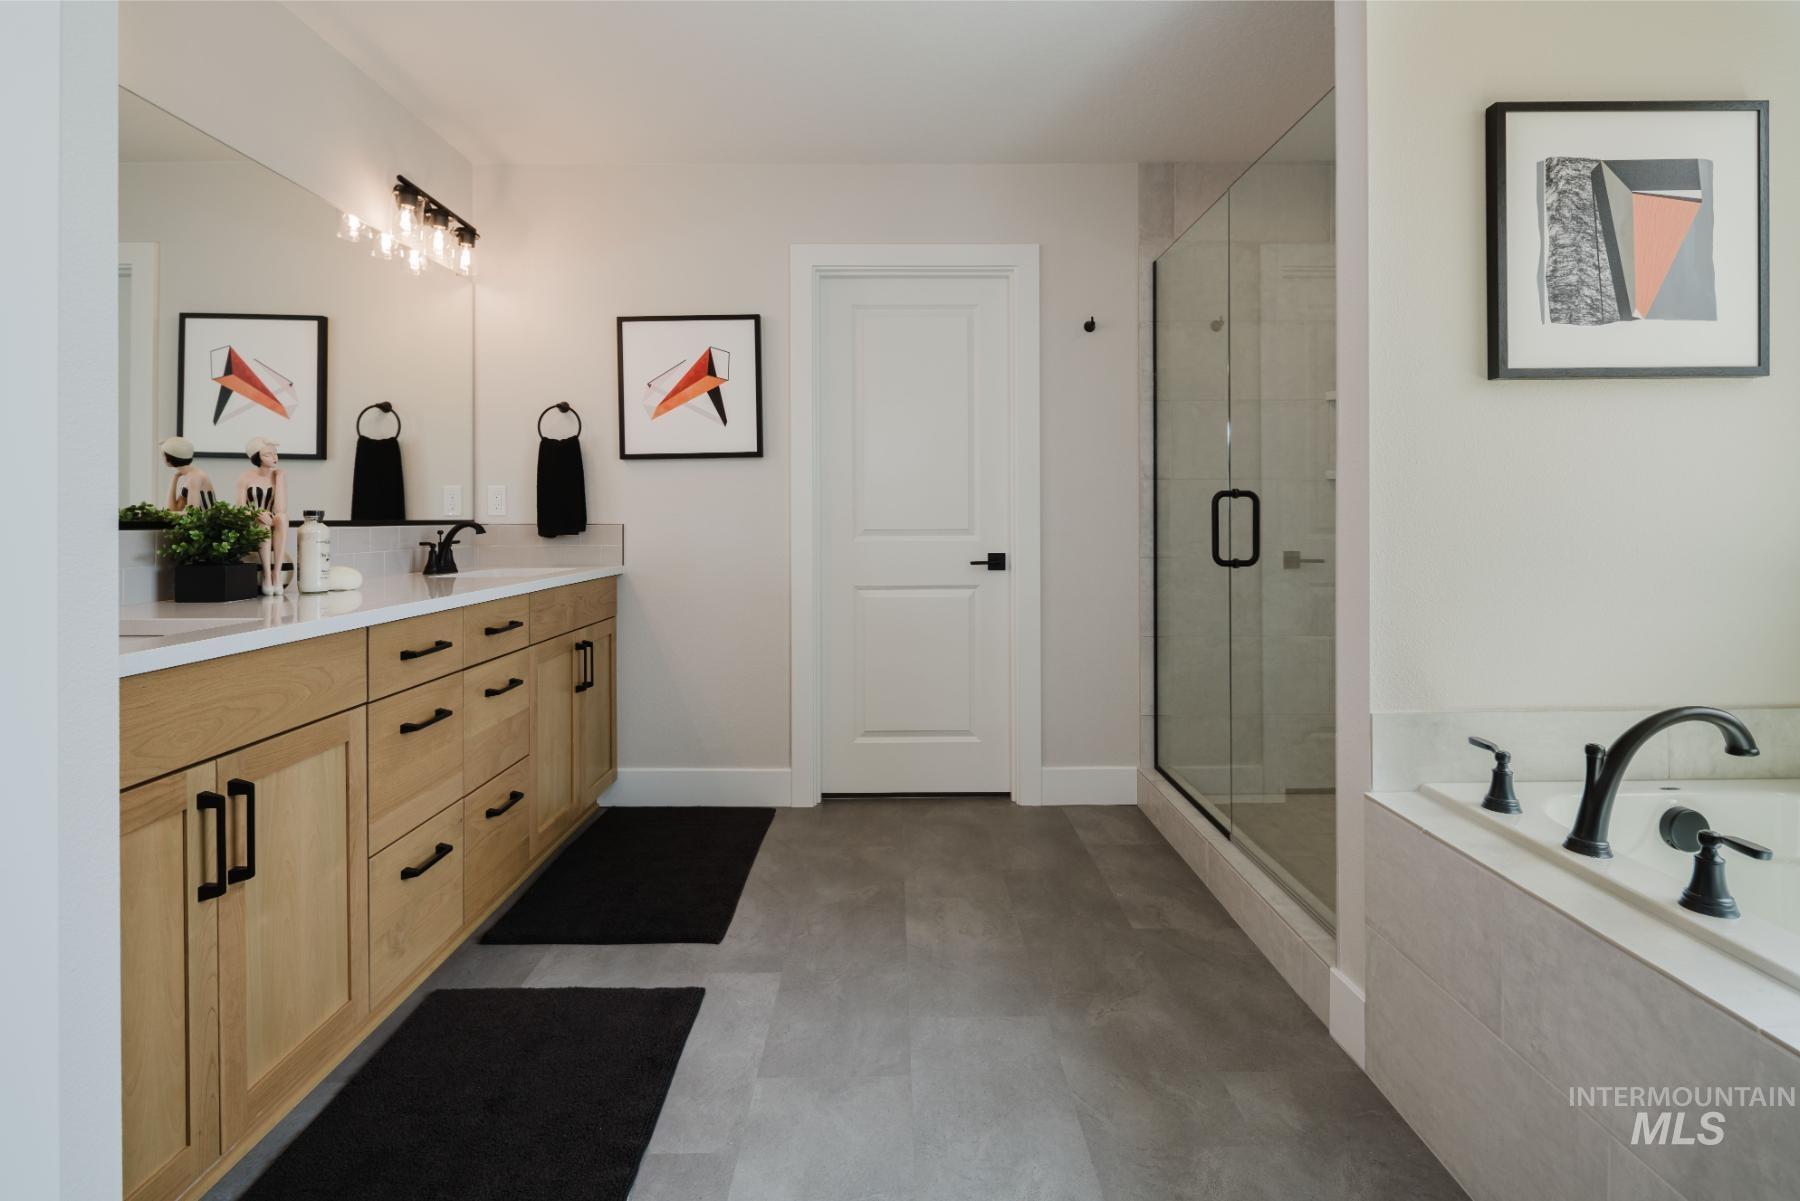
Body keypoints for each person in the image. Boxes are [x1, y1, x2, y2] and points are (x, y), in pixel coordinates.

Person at [235, 436, 288, 596]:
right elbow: (240, 509)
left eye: (275, 453)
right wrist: (256, 513)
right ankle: (266, 573)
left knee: (282, 518)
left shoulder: (278, 475)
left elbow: (280, 509)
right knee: (263, 524)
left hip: (273, 520)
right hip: (252, 522)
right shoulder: (245, 478)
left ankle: (276, 573)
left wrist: (279, 478)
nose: (274, 457)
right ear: (257, 457)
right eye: (268, 454)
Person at [159, 435, 215, 512]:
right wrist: (175, 478)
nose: (162, 458)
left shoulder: (194, 477)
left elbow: (192, 514)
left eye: (163, 455)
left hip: (206, 523)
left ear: (169, 458)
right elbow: (173, 510)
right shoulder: (190, 475)